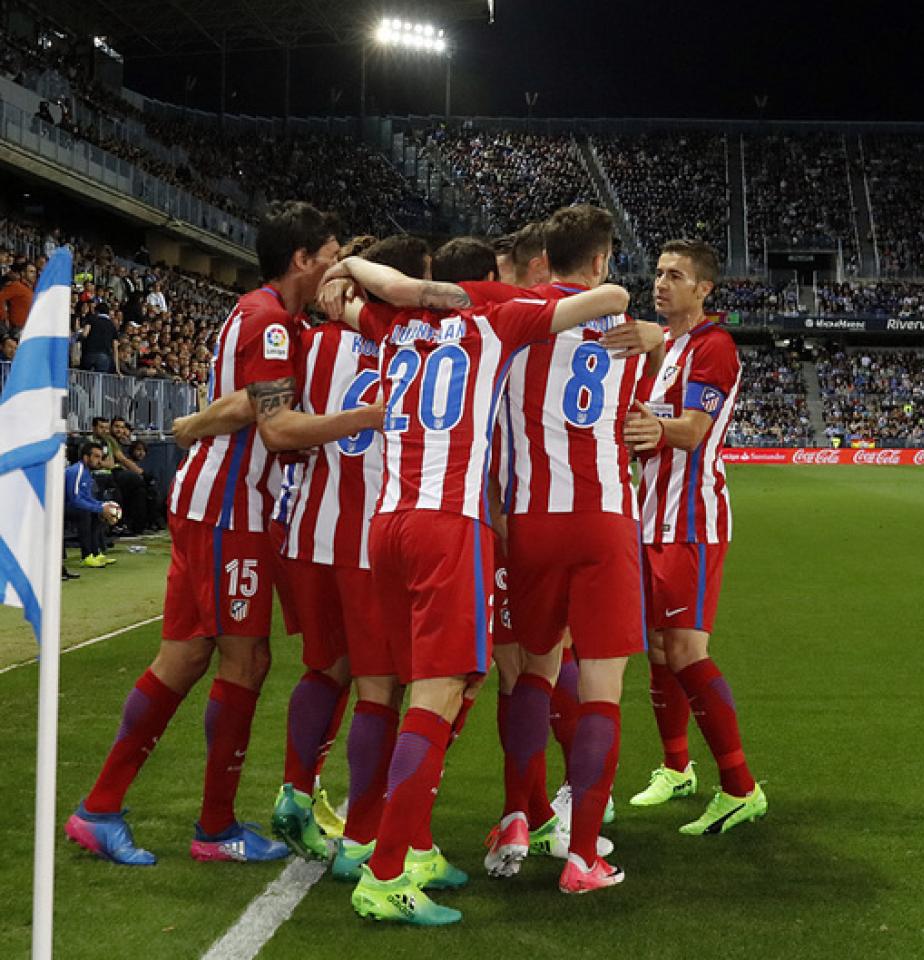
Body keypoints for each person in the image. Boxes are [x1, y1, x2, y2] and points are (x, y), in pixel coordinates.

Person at [319, 245, 639, 925]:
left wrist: (363, 272)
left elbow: (340, 295)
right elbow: (610, 300)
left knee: (415, 690)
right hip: (449, 527)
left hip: (386, 525)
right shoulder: (498, 319)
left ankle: (412, 846)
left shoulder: (390, 322)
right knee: (438, 698)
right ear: (487, 281)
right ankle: (386, 874)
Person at [65, 202, 376, 868]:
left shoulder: (265, 313)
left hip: (214, 504)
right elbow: (275, 425)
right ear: (302, 259)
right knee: (245, 662)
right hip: (232, 511)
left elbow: (249, 400)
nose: (335, 267)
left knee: (183, 658)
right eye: (329, 256)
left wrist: (199, 422)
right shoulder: (271, 323)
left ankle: (100, 807)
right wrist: (365, 416)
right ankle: (214, 827)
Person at [483, 205, 663, 891]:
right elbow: (644, 414)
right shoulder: (625, 333)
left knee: (530, 673)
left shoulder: (515, 320)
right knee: (601, 690)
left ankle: (516, 815)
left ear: (544, 258)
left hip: (530, 519)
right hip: (604, 518)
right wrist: (654, 340)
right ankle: (583, 854)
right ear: (600, 260)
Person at [263, 235, 424, 863]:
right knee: (379, 690)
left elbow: (275, 419)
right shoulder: (410, 343)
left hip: (310, 532)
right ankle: (362, 838)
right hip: (372, 541)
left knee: (323, 670)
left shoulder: (309, 342)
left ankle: (295, 793)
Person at [623, 239, 770, 836]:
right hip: (649, 516)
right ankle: (676, 767)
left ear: (704, 288)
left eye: (676, 276)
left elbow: (691, 430)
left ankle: (740, 788)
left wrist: (645, 426)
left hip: (691, 520)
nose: (661, 284)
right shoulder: (665, 346)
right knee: (660, 650)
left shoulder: (713, 346)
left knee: (686, 650)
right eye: (659, 273)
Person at [66, 440, 121, 568]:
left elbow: (88, 498)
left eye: (101, 457)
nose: (99, 461)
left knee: (98, 513)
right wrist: (99, 508)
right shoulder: (77, 470)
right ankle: (86, 556)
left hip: (72, 506)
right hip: (60, 508)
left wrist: (103, 506)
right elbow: (74, 498)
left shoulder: (87, 473)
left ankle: (95, 553)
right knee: (85, 512)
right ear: (86, 457)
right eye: (96, 457)